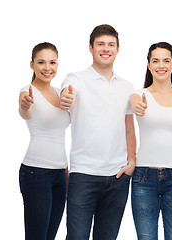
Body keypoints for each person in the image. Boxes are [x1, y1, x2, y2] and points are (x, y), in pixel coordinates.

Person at [60, 24, 136, 240]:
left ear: (118, 49)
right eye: (101, 44)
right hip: (83, 174)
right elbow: (67, 92)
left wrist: (132, 161)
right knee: (77, 237)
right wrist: (66, 96)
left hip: (118, 176)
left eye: (111, 45)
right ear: (91, 48)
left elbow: (128, 127)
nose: (106, 49)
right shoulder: (77, 78)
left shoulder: (126, 86)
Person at [130, 42, 172, 240]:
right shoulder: (139, 95)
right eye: (155, 61)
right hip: (143, 177)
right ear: (149, 65)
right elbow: (132, 101)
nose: (161, 65)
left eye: (166, 60)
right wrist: (134, 101)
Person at [18, 42, 70, 240]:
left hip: (60, 174)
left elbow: (59, 136)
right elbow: (25, 110)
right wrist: (25, 105)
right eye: (41, 62)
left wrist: (65, 169)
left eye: (52, 62)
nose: (47, 68)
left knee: (50, 236)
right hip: (36, 173)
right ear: (32, 65)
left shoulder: (59, 92)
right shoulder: (27, 91)